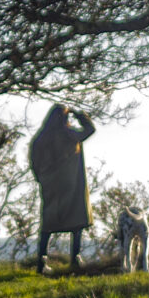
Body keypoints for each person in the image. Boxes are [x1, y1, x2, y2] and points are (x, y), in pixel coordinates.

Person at [28, 102, 95, 276]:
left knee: (49, 222)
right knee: (76, 220)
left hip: (50, 185)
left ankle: (41, 261)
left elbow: (34, 160)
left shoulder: (40, 138)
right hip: (71, 184)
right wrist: (80, 115)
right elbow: (90, 129)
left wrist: (41, 178)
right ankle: (75, 258)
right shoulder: (69, 135)